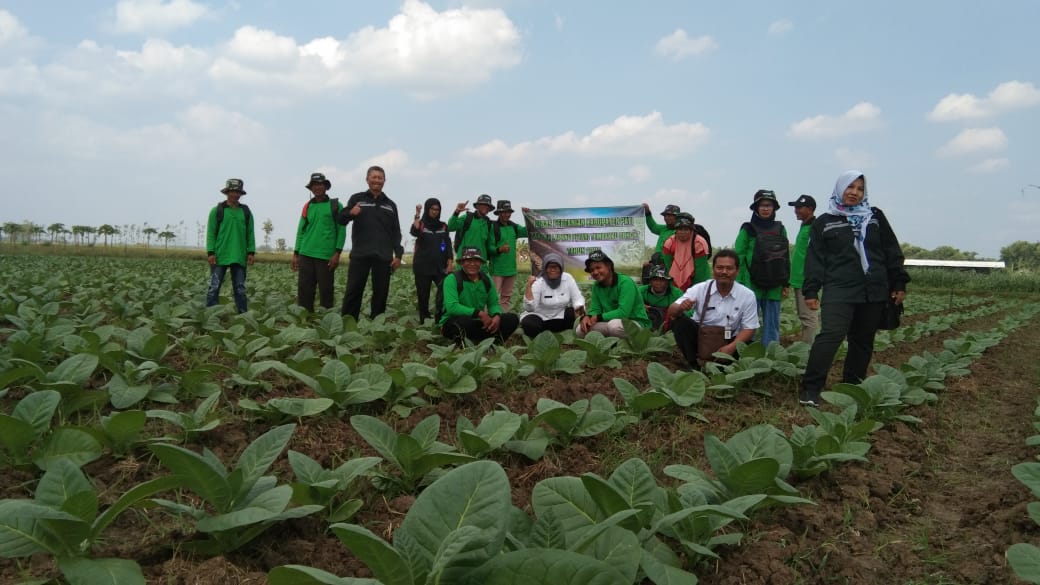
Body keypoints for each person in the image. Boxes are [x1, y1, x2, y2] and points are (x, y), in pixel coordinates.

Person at [799, 171, 909, 406]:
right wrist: (811, 290)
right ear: (840, 189)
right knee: (831, 335)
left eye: (860, 189)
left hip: (873, 289)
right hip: (839, 288)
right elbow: (815, 259)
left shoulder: (875, 217)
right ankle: (811, 388)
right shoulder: (825, 222)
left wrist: (899, 282)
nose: (854, 193)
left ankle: (852, 388)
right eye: (850, 187)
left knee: (862, 340)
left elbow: (891, 250)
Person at [668, 249, 759, 368]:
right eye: (720, 268)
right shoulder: (700, 288)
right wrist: (681, 307)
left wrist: (731, 347)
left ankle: (728, 366)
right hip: (701, 337)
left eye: (729, 268)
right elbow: (672, 311)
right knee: (681, 323)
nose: (724, 272)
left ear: (737, 271)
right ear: (713, 269)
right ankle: (694, 365)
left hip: (730, 338)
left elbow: (749, 328)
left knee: (750, 345)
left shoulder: (747, 295)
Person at [336, 165, 404, 320]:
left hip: (383, 256)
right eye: (374, 177)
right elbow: (341, 219)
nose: (377, 181)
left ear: (384, 181)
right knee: (353, 290)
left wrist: (398, 255)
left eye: (380, 178)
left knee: (381, 292)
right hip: (361, 254)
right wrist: (350, 213)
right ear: (367, 179)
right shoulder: (357, 199)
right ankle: (348, 323)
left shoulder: (390, 205)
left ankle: (376, 325)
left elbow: (396, 232)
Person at [734, 189, 789, 348]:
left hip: (774, 281)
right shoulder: (748, 229)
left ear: (774, 208)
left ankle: (770, 354)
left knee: (772, 322)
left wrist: (786, 282)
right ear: (756, 208)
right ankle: (745, 351)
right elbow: (739, 255)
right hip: (751, 282)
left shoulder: (780, 228)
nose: (766, 208)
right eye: (762, 205)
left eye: (769, 205)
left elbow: (785, 257)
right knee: (747, 320)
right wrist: (739, 281)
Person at [440, 246, 519, 344]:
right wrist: (479, 313)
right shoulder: (452, 279)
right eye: (468, 260)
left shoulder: (486, 279)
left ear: (481, 263)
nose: (472, 264)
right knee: (463, 322)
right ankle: (470, 342)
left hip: (478, 322)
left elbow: (493, 304)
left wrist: (496, 315)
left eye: (476, 260)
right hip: (455, 321)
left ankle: (492, 342)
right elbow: (452, 307)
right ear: (461, 263)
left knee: (512, 319)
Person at [292, 172, 345, 311]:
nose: (317, 188)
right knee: (304, 291)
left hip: (326, 256)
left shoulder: (336, 205)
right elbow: (300, 230)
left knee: (326, 290)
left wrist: (337, 253)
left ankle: (326, 321)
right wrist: (296, 253)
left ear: (325, 187)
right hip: (306, 253)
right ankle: (305, 320)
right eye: (314, 185)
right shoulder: (307, 206)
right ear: (311, 188)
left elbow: (342, 230)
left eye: (320, 185)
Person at [205, 178, 255, 313]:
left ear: (241, 194)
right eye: (232, 191)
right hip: (220, 255)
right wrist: (210, 252)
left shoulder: (246, 212)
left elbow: (250, 234)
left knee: (240, 289)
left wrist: (251, 252)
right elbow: (211, 233)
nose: (235, 194)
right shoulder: (217, 211)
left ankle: (243, 316)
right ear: (227, 192)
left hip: (239, 255)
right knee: (214, 287)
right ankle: (211, 315)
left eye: (238, 192)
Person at [577, 250, 651, 338]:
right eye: (592, 270)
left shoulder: (625, 282)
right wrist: (587, 317)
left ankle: (621, 342)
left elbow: (623, 313)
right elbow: (595, 309)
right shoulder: (596, 286)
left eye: (598, 267)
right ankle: (613, 340)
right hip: (611, 323)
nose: (595, 272)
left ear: (608, 266)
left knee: (614, 326)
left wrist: (598, 317)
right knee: (580, 330)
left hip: (635, 323)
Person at [519, 253, 585, 337]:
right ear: (545, 268)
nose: (553, 270)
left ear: (561, 268)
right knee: (530, 324)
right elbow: (530, 308)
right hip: (540, 317)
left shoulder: (567, 278)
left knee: (573, 313)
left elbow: (577, 298)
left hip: (559, 315)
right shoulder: (539, 282)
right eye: (550, 267)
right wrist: (528, 286)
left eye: (556, 267)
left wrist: (579, 308)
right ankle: (544, 335)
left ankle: (557, 332)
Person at [410, 197, 453, 323]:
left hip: (440, 267)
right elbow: (414, 231)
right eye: (432, 209)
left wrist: (450, 262)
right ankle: (424, 321)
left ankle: (441, 319)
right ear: (427, 209)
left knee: (444, 294)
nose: (435, 212)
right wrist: (417, 214)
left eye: (437, 209)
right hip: (422, 267)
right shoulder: (422, 224)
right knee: (423, 296)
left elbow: (447, 244)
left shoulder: (443, 226)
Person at [788, 194, 820, 344]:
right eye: (795, 207)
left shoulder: (815, 227)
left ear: (810, 209)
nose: (796, 210)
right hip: (798, 280)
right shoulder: (805, 226)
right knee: (804, 316)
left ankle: (810, 351)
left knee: (809, 317)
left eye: (799, 207)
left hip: (806, 280)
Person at [487, 200, 528, 311]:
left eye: (508, 212)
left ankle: (502, 318)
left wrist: (527, 216)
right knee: (493, 297)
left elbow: (527, 231)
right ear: (499, 213)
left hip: (511, 269)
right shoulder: (493, 227)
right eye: (504, 212)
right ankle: (489, 320)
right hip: (497, 270)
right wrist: (499, 249)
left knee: (506, 298)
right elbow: (489, 247)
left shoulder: (513, 226)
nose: (506, 214)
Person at [662, 212, 711, 290]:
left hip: (699, 282)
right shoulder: (669, 243)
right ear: (676, 229)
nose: (682, 232)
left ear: (691, 230)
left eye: (686, 229)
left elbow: (700, 271)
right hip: (674, 281)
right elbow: (668, 266)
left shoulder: (699, 243)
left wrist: (694, 290)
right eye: (680, 229)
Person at [448, 194, 494, 263]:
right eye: (483, 205)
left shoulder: (489, 224)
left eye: (487, 206)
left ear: (489, 209)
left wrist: (499, 249)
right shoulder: (467, 217)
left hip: (481, 264)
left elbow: (490, 245)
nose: (485, 207)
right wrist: (457, 211)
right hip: (463, 263)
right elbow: (450, 227)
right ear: (477, 206)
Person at [641, 203, 679, 281]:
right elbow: (653, 226)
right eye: (665, 215)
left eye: (670, 215)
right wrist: (647, 213)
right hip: (656, 264)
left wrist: (664, 264)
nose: (667, 218)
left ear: (677, 217)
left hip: (670, 266)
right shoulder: (663, 229)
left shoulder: (680, 232)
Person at [639, 266, 684, 331]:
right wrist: (640, 307)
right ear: (650, 281)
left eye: (662, 280)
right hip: (646, 323)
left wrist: (676, 311)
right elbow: (629, 305)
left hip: (670, 324)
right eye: (655, 280)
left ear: (667, 282)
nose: (658, 283)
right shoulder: (641, 291)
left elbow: (689, 312)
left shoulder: (676, 293)